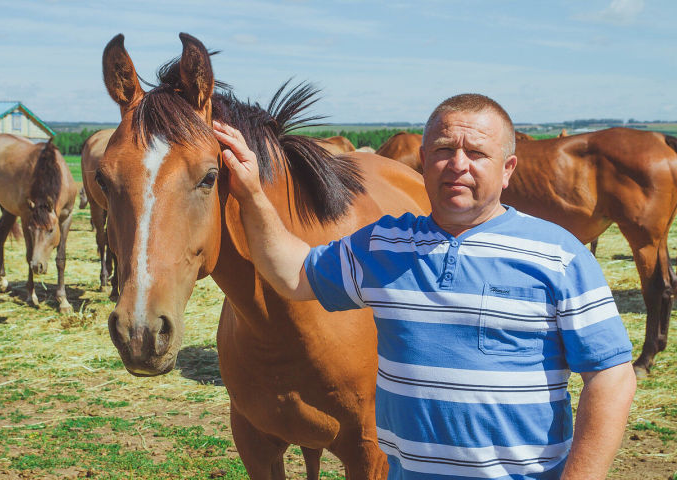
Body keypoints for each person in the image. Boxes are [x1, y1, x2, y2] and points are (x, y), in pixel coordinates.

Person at [213, 93, 636, 480]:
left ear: (507, 169)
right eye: (443, 150)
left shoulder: (558, 253)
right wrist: (253, 193)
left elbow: (612, 378)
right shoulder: (384, 246)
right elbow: (294, 273)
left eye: (477, 153)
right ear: (422, 160)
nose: (458, 165)